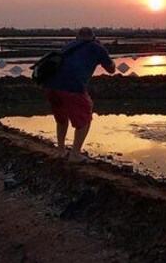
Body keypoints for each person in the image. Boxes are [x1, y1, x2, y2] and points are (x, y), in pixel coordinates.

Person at [43, 27, 115, 163]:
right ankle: (75, 154)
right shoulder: (97, 47)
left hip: (51, 86)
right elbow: (111, 70)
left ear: (77, 38)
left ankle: (61, 151)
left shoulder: (68, 46)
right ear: (93, 37)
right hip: (73, 88)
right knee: (84, 120)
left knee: (61, 118)